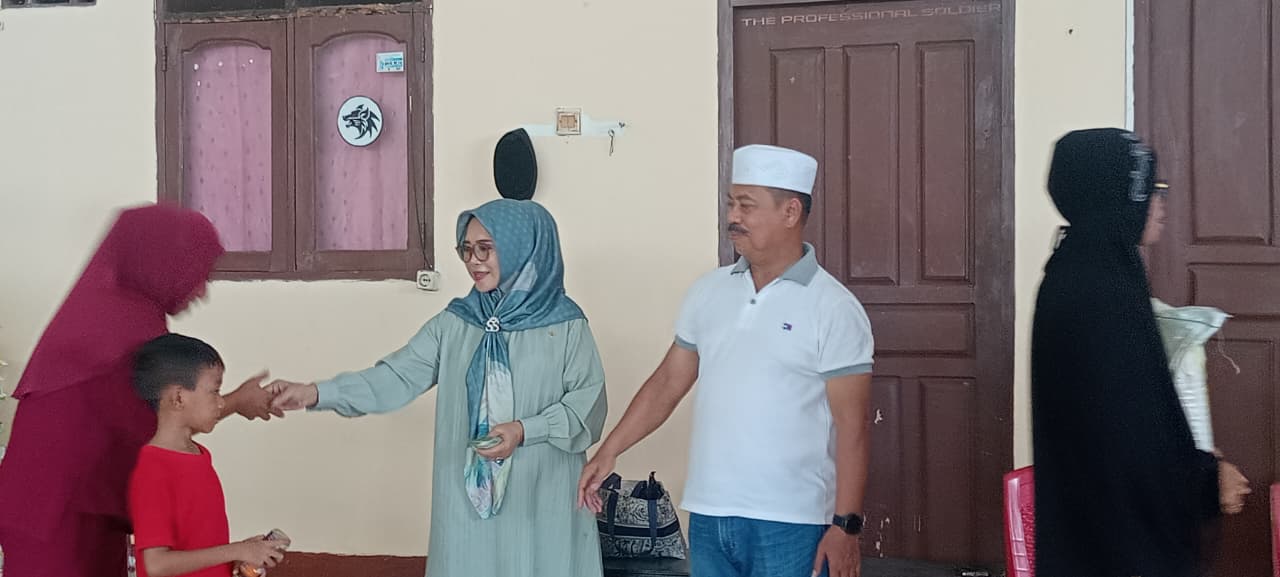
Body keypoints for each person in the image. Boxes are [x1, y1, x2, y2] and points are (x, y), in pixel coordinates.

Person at [268, 199, 609, 577]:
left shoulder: (566, 326)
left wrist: (525, 430)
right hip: (466, 498)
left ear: (523, 248)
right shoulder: (455, 323)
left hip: (543, 493)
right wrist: (317, 393)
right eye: (466, 249)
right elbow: (396, 377)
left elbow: (587, 405)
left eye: (486, 248)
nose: (473, 261)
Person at [578, 144, 875, 577]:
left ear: (791, 212)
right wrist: (610, 451)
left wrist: (846, 526)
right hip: (710, 512)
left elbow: (854, 426)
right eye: (731, 203)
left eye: (747, 205)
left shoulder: (833, 307)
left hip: (793, 521)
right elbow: (668, 383)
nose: (733, 216)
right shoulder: (708, 292)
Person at [0, 203, 279, 577]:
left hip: (77, 509)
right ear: (161, 262)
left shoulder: (111, 310)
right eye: (196, 274)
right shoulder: (119, 328)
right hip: (55, 515)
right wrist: (237, 401)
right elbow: (164, 418)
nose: (200, 291)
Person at [1030, 128, 1251, 577]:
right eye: (1149, 189)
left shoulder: (1096, 268)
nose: (1159, 203)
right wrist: (1204, 479)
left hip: (1107, 530)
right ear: (1115, 196)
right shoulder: (1096, 289)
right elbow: (1125, 431)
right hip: (1117, 542)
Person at [128, 334, 287, 577]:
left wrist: (240, 556)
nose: (221, 402)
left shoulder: (196, 454)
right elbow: (156, 565)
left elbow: (200, 542)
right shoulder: (153, 470)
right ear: (178, 398)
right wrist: (236, 550)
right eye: (214, 391)